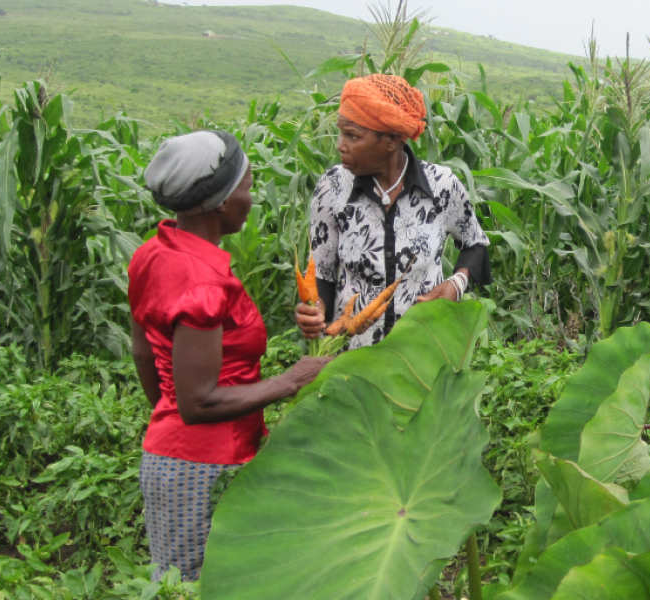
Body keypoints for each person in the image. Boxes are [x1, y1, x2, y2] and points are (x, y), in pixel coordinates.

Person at [128, 131, 331, 581]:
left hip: (172, 458)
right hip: (203, 469)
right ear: (220, 203)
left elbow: (143, 354)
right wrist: (292, 380)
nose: (251, 199)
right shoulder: (202, 283)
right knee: (200, 586)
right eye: (247, 187)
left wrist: (170, 419)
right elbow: (197, 402)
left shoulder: (153, 253)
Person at [295, 74, 491, 348]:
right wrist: (316, 310)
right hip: (350, 357)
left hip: (421, 351)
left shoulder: (442, 186)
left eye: (352, 136)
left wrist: (457, 284)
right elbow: (322, 272)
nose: (340, 144)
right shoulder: (333, 187)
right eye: (341, 132)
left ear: (390, 140)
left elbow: (475, 244)